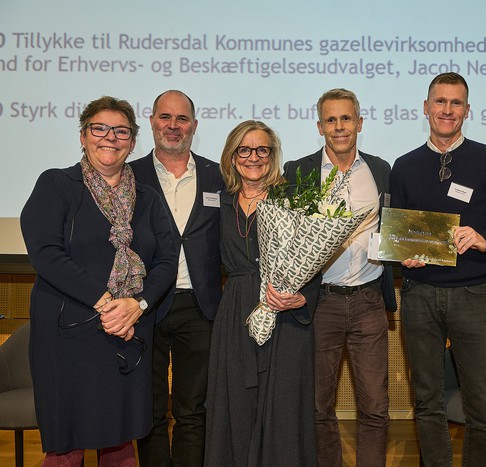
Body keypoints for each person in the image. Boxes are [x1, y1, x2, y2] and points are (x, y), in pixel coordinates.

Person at [20, 96, 179, 466]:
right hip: (68, 336)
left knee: (120, 444)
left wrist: (137, 305)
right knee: (66, 447)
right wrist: (108, 304)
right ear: (83, 136)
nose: (110, 137)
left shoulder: (149, 198)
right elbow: (45, 253)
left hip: (128, 333)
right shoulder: (57, 184)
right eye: (99, 128)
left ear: (132, 142)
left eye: (121, 131)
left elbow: (167, 260)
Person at [389, 72, 486, 466]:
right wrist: (402, 255)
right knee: (427, 401)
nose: (447, 110)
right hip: (418, 295)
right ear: (426, 107)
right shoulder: (404, 165)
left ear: (467, 110)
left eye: (456, 103)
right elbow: (394, 230)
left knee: (481, 404)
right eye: (440, 101)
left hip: (472, 294)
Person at [284, 88, 397, 467]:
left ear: (359, 123)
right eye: (330, 120)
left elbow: (395, 229)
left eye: (346, 118)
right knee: (318, 407)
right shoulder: (297, 172)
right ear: (320, 127)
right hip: (320, 304)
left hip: (369, 301)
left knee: (376, 407)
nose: (339, 127)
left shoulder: (381, 170)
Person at [204, 120, 320, 466]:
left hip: (285, 313)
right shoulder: (218, 202)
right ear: (232, 156)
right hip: (236, 312)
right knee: (235, 405)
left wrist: (303, 298)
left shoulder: (294, 199)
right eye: (244, 149)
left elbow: (316, 261)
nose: (253, 157)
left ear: (272, 155)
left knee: (284, 409)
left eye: (262, 150)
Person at [131, 90, 224, 467]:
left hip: (201, 306)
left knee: (193, 410)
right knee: (149, 409)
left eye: (182, 118)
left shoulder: (218, 174)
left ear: (194, 126)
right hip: (145, 306)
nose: (174, 125)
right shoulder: (129, 174)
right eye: (166, 117)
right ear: (152, 121)